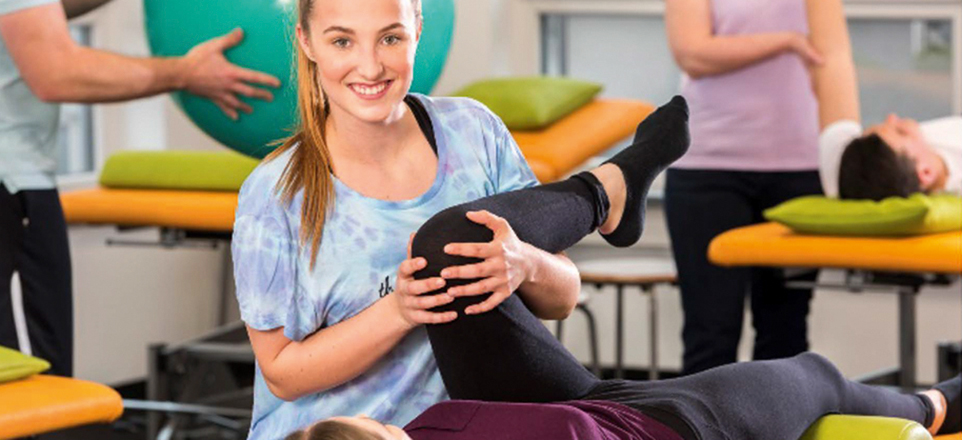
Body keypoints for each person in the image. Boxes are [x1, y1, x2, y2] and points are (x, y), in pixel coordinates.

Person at [282, 97, 962, 440]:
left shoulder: (428, 429)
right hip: (666, 427)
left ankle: (611, 188)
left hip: (568, 406)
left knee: (448, 247)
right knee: (814, 377)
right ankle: (938, 404)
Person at [232, 0, 652, 437]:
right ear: (306, 42)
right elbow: (281, 373)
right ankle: (609, 189)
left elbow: (563, 296)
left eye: (390, 38)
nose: (370, 67)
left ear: (417, 29)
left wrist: (524, 264)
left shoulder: (475, 131)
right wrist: (399, 311)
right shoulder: (274, 194)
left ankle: (611, 190)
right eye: (342, 41)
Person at [0, 0, 280, 377]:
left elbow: (37, 12)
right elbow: (55, 72)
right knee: (32, 377)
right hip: (11, 184)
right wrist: (185, 72)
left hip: (18, 178)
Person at [663, 0, 826, 376]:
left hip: (799, 170)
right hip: (708, 169)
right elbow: (692, 53)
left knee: (786, 334)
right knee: (710, 332)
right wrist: (787, 40)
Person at [805, 0, 961, 201]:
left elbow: (832, 55)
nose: (893, 118)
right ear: (925, 173)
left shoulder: (848, 173)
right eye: (901, 132)